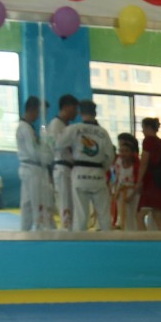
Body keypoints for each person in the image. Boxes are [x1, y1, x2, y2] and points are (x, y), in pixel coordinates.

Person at [60, 100, 116, 233]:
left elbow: (58, 144)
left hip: (80, 173)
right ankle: (108, 241)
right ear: (95, 113)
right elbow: (110, 156)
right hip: (98, 174)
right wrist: (102, 168)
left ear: (80, 113)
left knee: (81, 215)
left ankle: (79, 243)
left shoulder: (74, 129)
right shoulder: (103, 132)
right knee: (104, 215)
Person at [15, 97, 50, 231]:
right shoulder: (25, 128)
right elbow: (33, 152)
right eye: (38, 112)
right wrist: (47, 158)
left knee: (27, 203)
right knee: (37, 203)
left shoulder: (27, 127)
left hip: (29, 168)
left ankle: (25, 231)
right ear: (32, 110)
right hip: (32, 168)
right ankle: (39, 230)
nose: (39, 116)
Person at [135, 117, 161, 231]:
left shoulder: (148, 141)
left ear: (147, 127)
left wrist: (139, 181)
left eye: (143, 128)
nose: (142, 131)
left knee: (140, 216)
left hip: (151, 181)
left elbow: (144, 162)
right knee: (157, 215)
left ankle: (144, 240)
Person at [47, 93, 77, 230]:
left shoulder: (67, 125)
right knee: (65, 204)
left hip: (70, 168)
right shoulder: (55, 124)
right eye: (74, 108)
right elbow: (54, 145)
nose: (76, 112)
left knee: (72, 205)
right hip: (61, 167)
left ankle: (71, 231)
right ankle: (67, 233)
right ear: (65, 107)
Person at [110, 135, 139, 230]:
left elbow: (139, 182)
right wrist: (115, 190)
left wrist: (132, 195)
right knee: (122, 215)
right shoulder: (118, 161)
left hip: (133, 192)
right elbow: (117, 177)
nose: (123, 153)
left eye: (126, 151)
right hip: (121, 191)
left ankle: (134, 234)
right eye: (121, 151)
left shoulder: (136, 164)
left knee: (133, 215)